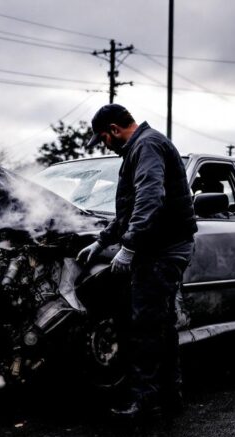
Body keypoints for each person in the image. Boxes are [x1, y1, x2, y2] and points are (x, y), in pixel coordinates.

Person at [77, 104, 197, 419]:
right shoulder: (142, 146)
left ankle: (144, 402)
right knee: (161, 323)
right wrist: (102, 241)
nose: (104, 144)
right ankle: (170, 396)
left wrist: (128, 247)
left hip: (162, 249)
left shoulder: (147, 146)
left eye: (103, 138)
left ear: (114, 130)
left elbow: (150, 198)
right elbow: (129, 211)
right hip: (163, 246)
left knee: (144, 324)